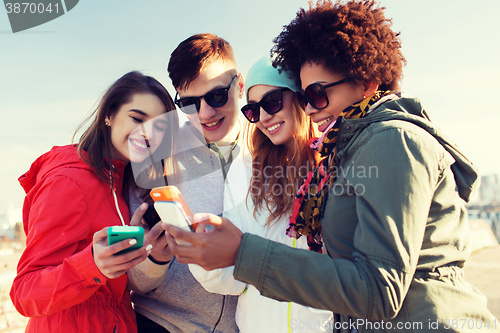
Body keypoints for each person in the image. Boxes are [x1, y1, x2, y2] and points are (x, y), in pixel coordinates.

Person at [163, 1, 500, 332]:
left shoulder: (387, 142)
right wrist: (204, 249)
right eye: (253, 110)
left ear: (365, 80)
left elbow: (379, 288)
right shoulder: (344, 150)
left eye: (316, 94)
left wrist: (244, 252)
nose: (311, 108)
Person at [10, 71, 178, 333]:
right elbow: (25, 292)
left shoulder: (122, 178)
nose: (147, 134)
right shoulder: (69, 181)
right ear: (109, 115)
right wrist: (92, 265)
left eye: (159, 127)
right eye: (137, 118)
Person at [188, 55, 333, 332]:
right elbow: (233, 281)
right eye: (253, 111)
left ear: (299, 98)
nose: (264, 118)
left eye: (273, 102)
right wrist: (200, 255)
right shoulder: (245, 171)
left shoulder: (336, 162)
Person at [126, 33, 246, 333]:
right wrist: (155, 259)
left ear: (240, 85)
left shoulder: (270, 144)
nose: (205, 113)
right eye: (190, 103)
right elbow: (135, 281)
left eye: (217, 96)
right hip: (160, 323)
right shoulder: (156, 149)